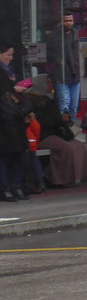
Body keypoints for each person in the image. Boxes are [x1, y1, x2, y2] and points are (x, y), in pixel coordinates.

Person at [0, 41, 33, 202]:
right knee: (5, 155)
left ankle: (15, 185)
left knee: (19, 154)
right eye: (8, 55)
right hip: (4, 118)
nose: (11, 58)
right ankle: (5, 187)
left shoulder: (10, 71)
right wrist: (14, 89)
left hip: (15, 118)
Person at [45, 13, 82, 124]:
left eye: (70, 20)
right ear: (61, 21)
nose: (68, 23)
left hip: (75, 73)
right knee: (64, 102)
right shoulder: (54, 36)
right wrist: (57, 60)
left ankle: (72, 124)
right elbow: (49, 54)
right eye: (66, 20)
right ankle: (64, 125)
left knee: (74, 104)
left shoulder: (78, 34)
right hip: (61, 73)